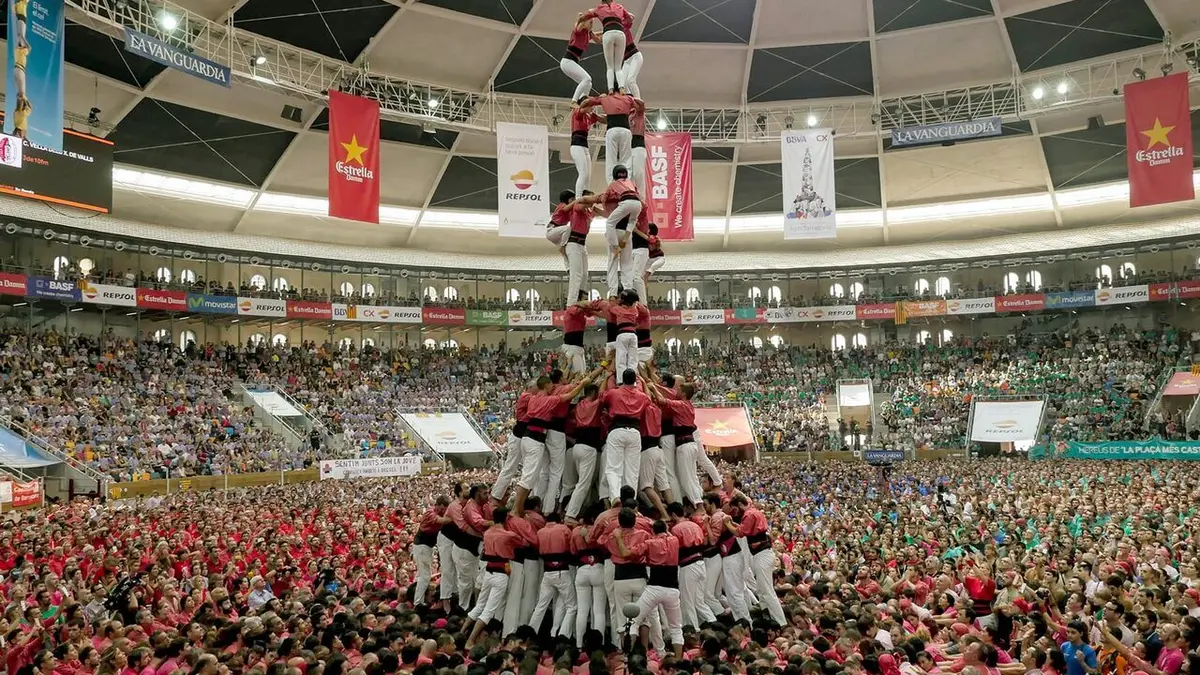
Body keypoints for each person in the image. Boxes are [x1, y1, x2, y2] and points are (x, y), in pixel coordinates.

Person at [613, 519, 683, 656]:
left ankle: (629, 656)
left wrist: (618, 538)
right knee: (676, 628)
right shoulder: (674, 540)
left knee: (633, 621)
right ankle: (678, 661)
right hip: (672, 589)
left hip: (654, 588)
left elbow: (625, 554)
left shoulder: (649, 544)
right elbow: (666, 533)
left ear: (652, 531)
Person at [465, 508, 524, 648]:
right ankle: (471, 640)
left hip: (488, 572)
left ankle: (462, 632)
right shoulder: (508, 535)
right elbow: (522, 542)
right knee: (488, 610)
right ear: (505, 519)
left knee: (480, 605)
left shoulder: (487, 533)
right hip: (501, 573)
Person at [730, 494, 786, 626]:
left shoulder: (749, 514)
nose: (735, 512)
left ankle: (781, 623)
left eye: (735, 509)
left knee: (767, 592)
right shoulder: (754, 512)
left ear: (739, 504)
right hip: (760, 554)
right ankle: (768, 617)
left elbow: (740, 533)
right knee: (761, 590)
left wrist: (727, 523)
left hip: (762, 555)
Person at [598, 367, 650, 510]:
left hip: (617, 430)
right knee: (632, 470)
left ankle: (615, 496)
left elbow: (601, 396)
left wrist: (606, 378)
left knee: (614, 467)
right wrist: (644, 383)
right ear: (635, 380)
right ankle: (630, 501)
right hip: (634, 432)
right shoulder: (642, 396)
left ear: (622, 379)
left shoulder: (614, 393)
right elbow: (649, 399)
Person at [527, 512, 576, 640]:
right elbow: (571, 547)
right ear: (558, 520)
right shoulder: (563, 529)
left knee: (541, 605)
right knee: (571, 606)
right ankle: (561, 635)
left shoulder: (540, 532)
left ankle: (530, 634)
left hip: (547, 572)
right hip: (562, 570)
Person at [669, 500, 716, 629]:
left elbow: (675, 550)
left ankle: (693, 631)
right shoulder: (695, 525)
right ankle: (714, 622)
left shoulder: (675, 529)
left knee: (687, 601)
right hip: (701, 563)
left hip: (688, 565)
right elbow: (705, 542)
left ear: (673, 515)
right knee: (698, 600)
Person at [576, 93, 637, 187]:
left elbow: (587, 101)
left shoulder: (606, 98)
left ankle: (611, 184)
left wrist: (579, 105)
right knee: (626, 159)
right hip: (625, 130)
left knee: (611, 159)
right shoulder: (627, 99)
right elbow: (640, 103)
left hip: (612, 130)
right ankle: (627, 184)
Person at [707, 493, 750, 621]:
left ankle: (745, 622)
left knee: (734, 593)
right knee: (739, 590)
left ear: (712, 504)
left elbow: (713, 541)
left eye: (705, 504)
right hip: (734, 555)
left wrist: (706, 525)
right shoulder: (722, 516)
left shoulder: (717, 517)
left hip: (731, 556)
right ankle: (747, 620)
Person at [565, 382, 603, 521]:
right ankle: (570, 515)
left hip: (577, 447)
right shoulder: (593, 405)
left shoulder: (578, 406)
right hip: (588, 448)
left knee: (584, 483)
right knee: (583, 484)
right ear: (593, 393)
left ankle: (568, 509)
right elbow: (604, 394)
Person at [579, 1, 634, 93]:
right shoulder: (619, 7)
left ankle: (610, 89)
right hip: (620, 34)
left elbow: (584, 17)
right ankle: (621, 88)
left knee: (610, 67)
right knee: (618, 67)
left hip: (608, 34)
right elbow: (631, 18)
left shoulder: (599, 9)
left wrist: (582, 16)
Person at [571, 505, 607, 647]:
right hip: (598, 567)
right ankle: (599, 644)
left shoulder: (575, 531)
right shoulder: (600, 531)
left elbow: (573, 551)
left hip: (582, 569)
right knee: (599, 611)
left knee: (582, 610)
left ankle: (579, 644)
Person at [583, 290, 641, 376]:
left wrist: (603, 302)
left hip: (621, 336)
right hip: (632, 335)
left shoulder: (617, 310)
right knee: (632, 359)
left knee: (620, 360)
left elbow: (608, 307)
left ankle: (621, 380)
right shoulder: (634, 311)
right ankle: (632, 380)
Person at [413, 496, 449, 607]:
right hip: (421, 545)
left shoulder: (441, 513)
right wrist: (455, 517)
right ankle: (418, 602)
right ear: (436, 505)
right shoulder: (430, 512)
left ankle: (421, 600)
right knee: (424, 576)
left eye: (444, 510)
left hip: (428, 546)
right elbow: (439, 520)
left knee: (426, 575)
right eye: (441, 509)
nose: (442, 512)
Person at [561, 14, 600, 104]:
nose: (591, 24)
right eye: (590, 22)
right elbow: (579, 26)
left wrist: (605, 32)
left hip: (571, 62)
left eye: (592, 23)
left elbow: (598, 41)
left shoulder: (587, 34)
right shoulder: (578, 31)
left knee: (588, 84)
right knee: (587, 79)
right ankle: (574, 101)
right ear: (584, 23)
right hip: (567, 61)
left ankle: (582, 100)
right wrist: (583, 18)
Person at [564, 195, 594, 308]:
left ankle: (581, 297)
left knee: (585, 274)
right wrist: (591, 201)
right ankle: (571, 304)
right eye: (590, 198)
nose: (592, 200)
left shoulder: (590, 211)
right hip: (573, 243)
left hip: (582, 244)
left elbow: (606, 214)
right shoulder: (577, 206)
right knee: (576, 275)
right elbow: (581, 207)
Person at [568, 107, 600, 198]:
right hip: (576, 145)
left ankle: (585, 196)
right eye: (590, 106)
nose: (592, 108)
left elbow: (600, 118)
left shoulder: (588, 116)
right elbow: (583, 107)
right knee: (583, 173)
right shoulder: (577, 112)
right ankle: (578, 197)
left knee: (588, 176)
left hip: (584, 146)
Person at [620, 13, 643, 98]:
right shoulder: (610, 33)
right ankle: (630, 102)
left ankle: (639, 102)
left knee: (631, 80)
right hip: (627, 60)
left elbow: (632, 17)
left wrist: (622, 12)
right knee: (623, 84)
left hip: (635, 56)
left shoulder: (623, 27)